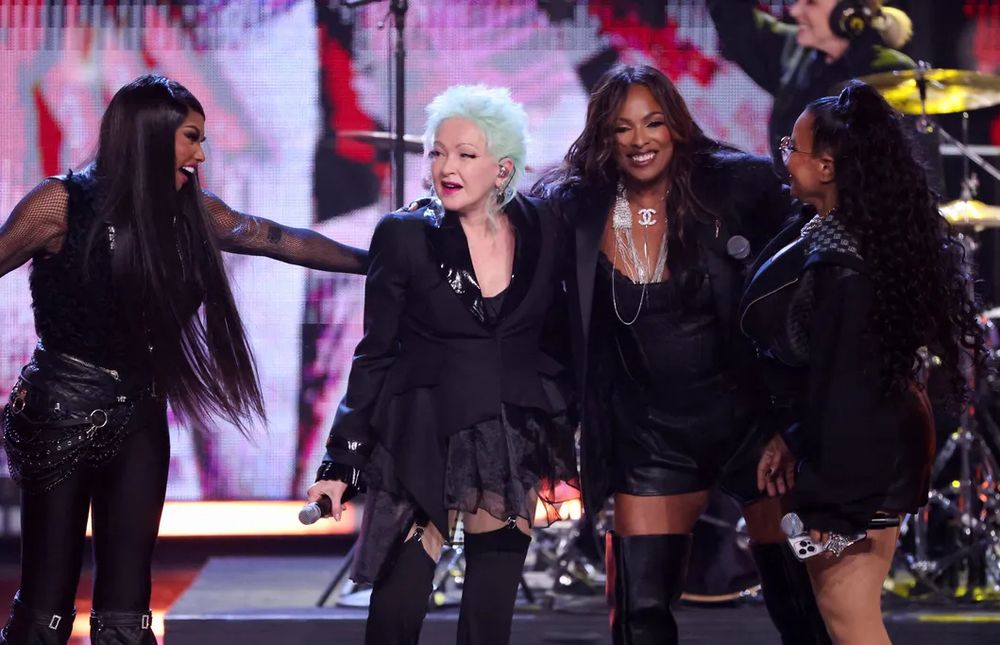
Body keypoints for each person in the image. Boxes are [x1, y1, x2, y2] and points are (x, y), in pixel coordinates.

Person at [0, 75, 367, 645]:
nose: (201, 153)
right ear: (150, 135)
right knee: (47, 601)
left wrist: (382, 262)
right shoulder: (60, 204)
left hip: (141, 418)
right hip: (58, 417)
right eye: (191, 137)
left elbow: (277, 239)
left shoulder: (193, 213)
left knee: (127, 604)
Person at [534, 63, 821, 644]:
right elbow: (535, 307)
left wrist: (790, 422)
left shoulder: (738, 187)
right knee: (639, 618)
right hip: (653, 435)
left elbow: (805, 295)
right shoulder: (575, 209)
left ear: (676, 126)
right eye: (622, 129)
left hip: (752, 426)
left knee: (802, 608)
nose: (640, 140)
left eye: (653, 123)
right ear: (603, 137)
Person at [306, 84, 576, 645]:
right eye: (436, 152)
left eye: (464, 155)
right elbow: (375, 353)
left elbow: (559, 337)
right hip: (422, 434)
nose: (444, 167)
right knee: (397, 613)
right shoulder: (405, 235)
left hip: (508, 437)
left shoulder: (545, 228)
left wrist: (564, 424)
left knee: (489, 616)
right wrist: (340, 461)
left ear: (502, 169)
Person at [739, 80, 983, 644]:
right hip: (862, 453)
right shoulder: (840, 238)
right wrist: (796, 440)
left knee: (850, 620)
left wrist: (832, 506)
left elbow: (850, 392)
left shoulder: (845, 265)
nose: (785, 158)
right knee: (844, 616)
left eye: (792, 148)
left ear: (826, 167)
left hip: (862, 464)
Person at [707, 0, 942, 189]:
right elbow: (735, 20)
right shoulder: (795, 54)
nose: (796, 10)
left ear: (847, 13)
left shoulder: (890, 72)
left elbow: (911, 172)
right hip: (794, 216)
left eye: (810, 3)